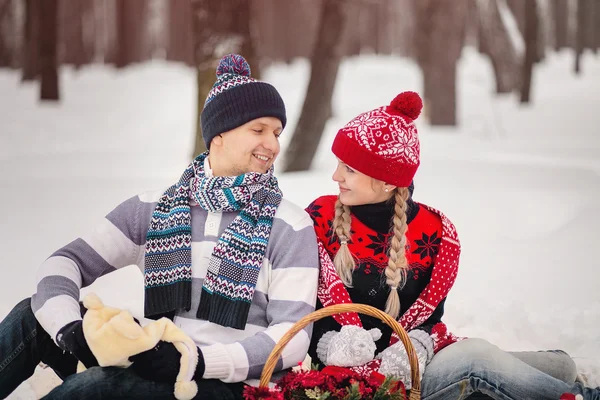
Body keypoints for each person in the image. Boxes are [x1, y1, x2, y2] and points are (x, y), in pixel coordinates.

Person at [0, 54, 320, 400]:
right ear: (219, 135)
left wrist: (194, 359)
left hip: (228, 385)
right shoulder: (155, 209)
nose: (272, 145)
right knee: (30, 318)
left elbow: (292, 337)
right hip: (155, 361)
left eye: (276, 132)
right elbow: (63, 264)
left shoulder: (289, 224)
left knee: (93, 390)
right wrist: (70, 330)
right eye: (258, 130)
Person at [305, 90, 600, 400]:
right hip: (352, 382)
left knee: (554, 366)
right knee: (476, 360)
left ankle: (562, 376)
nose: (336, 175)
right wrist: (330, 346)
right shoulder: (320, 218)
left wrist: (417, 346)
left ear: (388, 180)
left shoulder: (434, 233)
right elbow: (301, 308)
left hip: (413, 363)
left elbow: (430, 319)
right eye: (339, 163)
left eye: (349, 168)